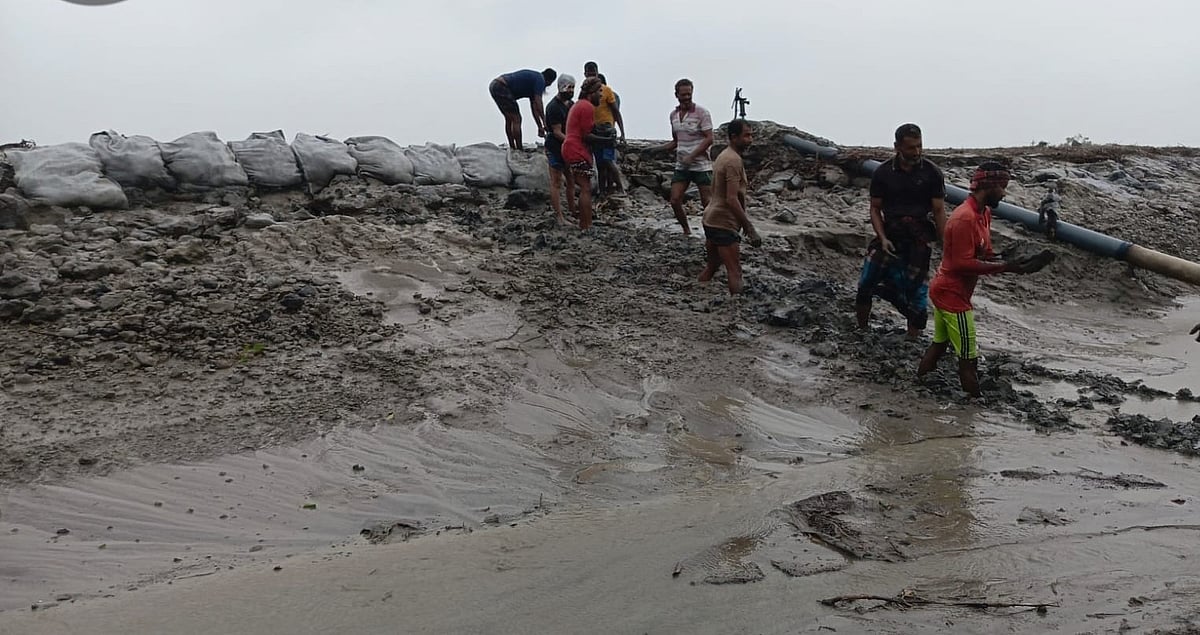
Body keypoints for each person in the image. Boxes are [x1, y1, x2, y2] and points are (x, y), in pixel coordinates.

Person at [917, 163, 1036, 397]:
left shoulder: (984, 214)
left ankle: (918, 385)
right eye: (1001, 187)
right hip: (952, 295)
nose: (1004, 193)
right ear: (988, 186)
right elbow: (961, 263)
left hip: (946, 290)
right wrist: (1004, 267)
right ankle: (973, 410)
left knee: (940, 344)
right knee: (968, 357)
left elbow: (982, 253)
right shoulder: (965, 218)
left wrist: (1011, 260)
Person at [856, 123, 947, 338]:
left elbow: (939, 210)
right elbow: (875, 208)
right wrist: (882, 237)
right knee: (867, 280)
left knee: (917, 289)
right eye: (910, 148)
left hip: (918, 236)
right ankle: (860, 329)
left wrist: (945, 245)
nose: (916, 152)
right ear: (897, 146)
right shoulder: (883, 172)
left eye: (919, 146)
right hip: (890, 232)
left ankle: (913, 338)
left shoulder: (932, 173)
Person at [699, 120, 762, 294]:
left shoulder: (724, 156)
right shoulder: (733, 161)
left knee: (712, 266)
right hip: (723, 223)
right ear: (734, 137)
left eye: (751, 135)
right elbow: (732, 199)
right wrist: (749, 228)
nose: (750, 140)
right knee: (735, 271)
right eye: (746, 136)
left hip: (710, 219)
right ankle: (737, 309)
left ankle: (696, 292)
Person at [661, 78, 714, 236]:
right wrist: (657, 149)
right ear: (676, 95)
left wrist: (693, 155)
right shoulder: (674, 115)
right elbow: (676, 141)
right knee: (675, 200)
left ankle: (711, 233)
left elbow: (710, 138)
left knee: (708, 203)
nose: (686, 97)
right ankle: (686, 230)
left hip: (701, 165)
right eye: (683, 94)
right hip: (682, 165)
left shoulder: (702, 113)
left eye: (689, 94)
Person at [561, 77, 606, 231]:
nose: (601, 95)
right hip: (576, 149)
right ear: (590, 93)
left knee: (583, 186)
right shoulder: (587, 107)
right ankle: (586, 225)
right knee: (586, 188)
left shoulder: (579, 105)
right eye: (599, 91)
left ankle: (585, 223)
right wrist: (606, 140)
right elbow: (587, 135)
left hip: (571, 148)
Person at [583, 62, 625, 196]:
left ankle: (620, 188)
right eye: (588, 74)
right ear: (584, 75)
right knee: (600, 164)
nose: (591, 77)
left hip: (607, 128)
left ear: (597, 73)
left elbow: (616, 111)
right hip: (593, 130)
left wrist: (622, 133)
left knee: (608, 160)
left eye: (593, 74)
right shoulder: (584, 92)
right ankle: (603, 191)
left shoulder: (606, 90)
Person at [489, 68, 557, 150]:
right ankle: (518, 148)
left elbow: (534, 108)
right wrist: (545, 121)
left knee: (509, 118)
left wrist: (540, 126)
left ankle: (513, 147)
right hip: (502, 86)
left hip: (495, 85)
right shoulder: (540, 80)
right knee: (517, 119)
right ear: (549, 81)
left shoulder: (535, 81)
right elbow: (539, 103)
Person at [544, 74, 577, 223]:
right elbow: (557, 132)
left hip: (568, 147)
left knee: (571, 179)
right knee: (556, 181)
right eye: (569, 88)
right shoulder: (553, 107)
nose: (571, 91)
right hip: (555, 147)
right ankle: (559, 216)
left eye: (573, 88)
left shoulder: (570, 104)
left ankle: (573, 211)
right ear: (561, 87)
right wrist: (573, 142)